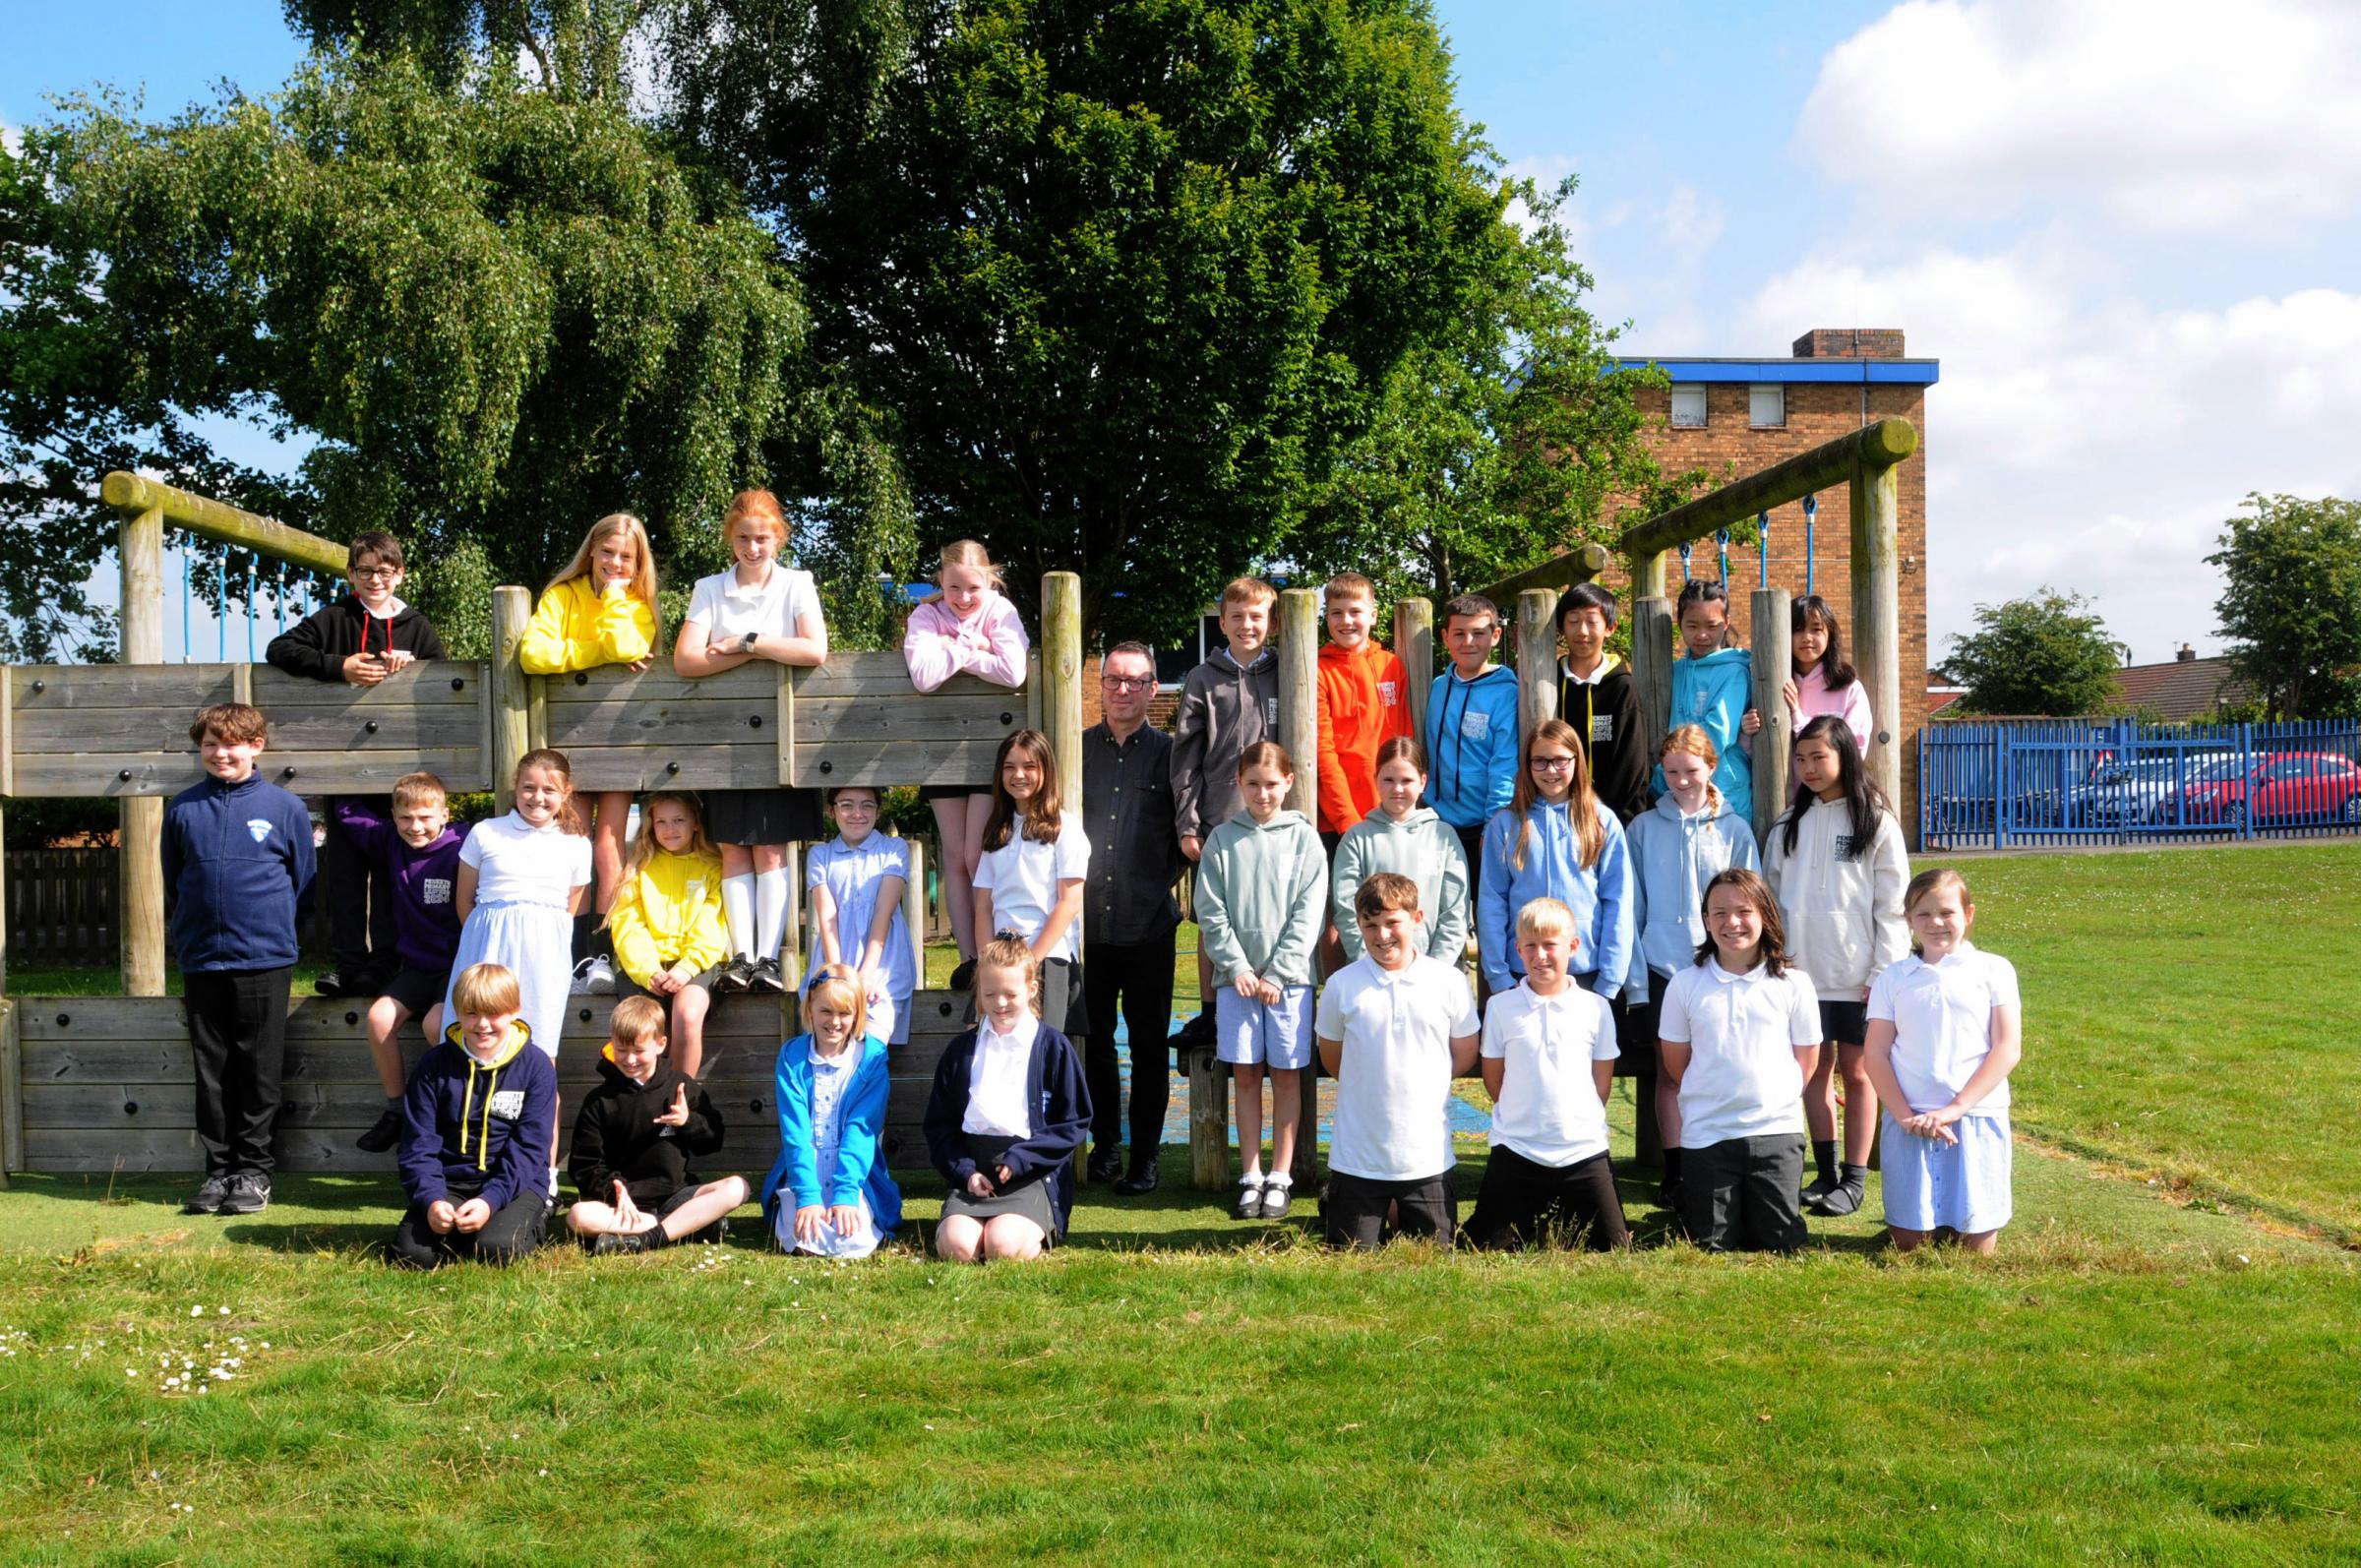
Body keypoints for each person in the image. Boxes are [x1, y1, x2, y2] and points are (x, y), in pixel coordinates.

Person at [264, 529, 447, 998]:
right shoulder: (334, 618)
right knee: (344, 875)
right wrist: (338, 666)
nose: (374, 580)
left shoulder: (417, 625)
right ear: (351, 574)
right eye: (364, 571)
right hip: (344, 764)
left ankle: (384, 965)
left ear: (399, 574)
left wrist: (417, 667)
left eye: (384, 571)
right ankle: (348, 964)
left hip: (399, 770)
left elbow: (447, 682)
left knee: (391, 874)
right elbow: (279, 650)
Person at [673, 489, 830, 994]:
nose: (753, 547)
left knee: (771, 851)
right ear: (730, 539)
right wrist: (753, 656)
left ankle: (766, 956)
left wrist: (749, 644)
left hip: (782, 737)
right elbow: (686, 660)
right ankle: (741, 957)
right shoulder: (709, 588)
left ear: (779, 537)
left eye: (763, 537)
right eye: (743, 538)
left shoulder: (797, 583)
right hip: (722, 739)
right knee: (732, 849)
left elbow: (815, 649)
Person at [164, 701, 317, 1217]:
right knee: (212, 1068)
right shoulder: (182, 809)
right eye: (210, 744)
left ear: (257, 746)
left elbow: (304, 883)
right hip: (202, 957)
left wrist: (270, 928)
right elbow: (175, 882)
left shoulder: (285, 807)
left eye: (231, 744)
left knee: (258, 1066)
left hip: (265, 956)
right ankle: (218, 1171)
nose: (220, 753)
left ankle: (253, 1172)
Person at [1764, 716, 1909, 1219]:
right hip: (1801, 976)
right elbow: (1772, 903)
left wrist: (1881, 974)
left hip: (1860, 978)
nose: (1808, 768)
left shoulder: (1876, 821)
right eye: (1800, 759)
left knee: (1860, 1072)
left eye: (1818, 757)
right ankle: (1823, 1174)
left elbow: (1892, 906)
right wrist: (1777, 962)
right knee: (1813, 1072)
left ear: (1845, 756)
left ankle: (1854, 1179)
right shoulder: (1788, 825)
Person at [516, 511, 660, 992]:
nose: (615, 562)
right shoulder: (562, 595)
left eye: (627, 557)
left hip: (618, 734)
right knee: (571, 843)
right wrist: (597, 653)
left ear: (638, 563)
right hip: (567, 735)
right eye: (608, 553)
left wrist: (616, 601)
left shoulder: (637, 602)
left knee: (607, 846)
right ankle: (567, 950)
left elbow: (629, 640)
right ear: (591, 552)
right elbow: (534, 654)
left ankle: (601, 954)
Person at [1624, 726, 1760, 1207]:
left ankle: (1722, 1163)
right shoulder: (1642, 829)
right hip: (1665, 968)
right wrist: (1638, 985)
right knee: (1671, 1073)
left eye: (1692, 771)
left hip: (1722, 968)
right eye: (1672, 771)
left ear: (1711, 769)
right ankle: (1677, 1170)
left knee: (1721, 1066)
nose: (1682, 780)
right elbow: (1632, 907)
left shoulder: (1734, 828)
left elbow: (1751, 901)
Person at [1656, 869, 1823, 1254]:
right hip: (1708, 1135)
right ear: (1706, 922)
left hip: (1776, 1132)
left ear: (1765, 915)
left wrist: (1770, 1099)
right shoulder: (1685, 984)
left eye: (1743, 911)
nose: (1732, 922)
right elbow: (1677, 1065)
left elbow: (1807, 1062)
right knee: (1710, 1243)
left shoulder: (1794, 985)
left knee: (1780, 1242)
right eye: (1719, 913)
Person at [1195, 741, 1327, 1221]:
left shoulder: (1305, 840)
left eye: (1272, 784)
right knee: (1246, 1075)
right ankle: (1250, 1174)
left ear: (1288, 784)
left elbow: (1309, 912)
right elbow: (1211, 912)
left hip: (1287, 984)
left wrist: (1279, 972)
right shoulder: (1221, 842)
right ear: (1239, 784)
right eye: (1253, 784)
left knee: (1287, 1076)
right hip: (1239, 983)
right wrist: (1239, 968)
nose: (1263, 793)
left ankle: (1281, 1176)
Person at [1314, 874, 1482, 1249]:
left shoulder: (1448, 982)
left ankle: (1398, 1207)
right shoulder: (1342, 985)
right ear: (1358, 926)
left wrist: (1423, 1078)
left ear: (1417, 918)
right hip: (1357, 1160)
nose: (1382, 934)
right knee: (1349, 1258)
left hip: (1427, 1159)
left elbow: (1465, 1052)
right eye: (1370, 925)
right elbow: (1333, 1059)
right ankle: (1338, 1200)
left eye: (1393, 922)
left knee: (1434, 1257)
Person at [1864, 870, 2022, 1255]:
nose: (1936, 923)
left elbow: (2006, 1047)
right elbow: (1876, 1053)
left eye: (1947, 913)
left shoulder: (1994, 970)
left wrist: (1955, 1109)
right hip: (1911, 1120)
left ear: (1969, 914)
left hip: (1975, 1116)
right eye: (1923, 914)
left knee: (1976, 1247)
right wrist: (1903, 1116)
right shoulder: (1894, 977)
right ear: (1908, 919)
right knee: (1909, 1246)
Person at [1463, 897, 1630, 1251]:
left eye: (1550, 945)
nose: (1540, 956)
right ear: (1518, 950)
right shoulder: (1500, 1007)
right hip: (1517, 1149)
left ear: (1572, 946)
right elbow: (1495, 1080)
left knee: (1613, 1247)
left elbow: (1601, 1084)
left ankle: (1562, 1215)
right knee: (1486, 1246)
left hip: (1583, 1151)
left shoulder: (1597, 1008)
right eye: (1531, 947)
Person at [1080, 641, 1183, 1193]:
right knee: (1094, 1042)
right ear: (1100, 685)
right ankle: (1105, 1149)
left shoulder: (1173, 756)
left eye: (1135, 681)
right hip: (1088, 926)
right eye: (1114, 680)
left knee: (1147, 1047)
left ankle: (1145, 1156)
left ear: (1152, 687)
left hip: (1149, 925)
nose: (1123, 690)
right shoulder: (1074, 756)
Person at [903, 539, 1030, 979]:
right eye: (953, 587)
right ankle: (969, 959)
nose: (963, 598)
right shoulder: (925, 614)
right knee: (955, 856)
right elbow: (923, 677)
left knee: (979, 856)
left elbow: (1014, 670)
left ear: (990, 580)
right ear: (941, 580)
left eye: (973, 587)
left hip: (988, 750)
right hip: (941, 751)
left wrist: (954, 650)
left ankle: (993, 950)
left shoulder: (1001, 612)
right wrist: (974, 651)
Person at [923, 936, 1092, 1262]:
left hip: (1030, 1177)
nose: (1000, 1003)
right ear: (979, 993)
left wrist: (1020, 1159)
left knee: (1002, 1245)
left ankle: (1032, 1232)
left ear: (1032, 989)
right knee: (958, 1247)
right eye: (989, 994)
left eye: (1010, 994)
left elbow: (1073, 1123)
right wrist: (965, 1172)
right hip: (973, 1177)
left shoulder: (1053, 1048)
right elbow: (939, 1125)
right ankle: (968, 1221)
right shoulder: (961, 1051)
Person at [389, 962, 558, 1268]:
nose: (483, 1025)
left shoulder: (537, 1066)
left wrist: (489, 1201)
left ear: (515, 1010)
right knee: (412, 1256)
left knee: (496, 1250)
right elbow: (418, 1144)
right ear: (457, 1012)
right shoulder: (431, 1067)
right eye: (471, 1014)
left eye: (494, 1014)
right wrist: (431, 1200)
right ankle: (458, 1226)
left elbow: (531, 1149)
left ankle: (534, 1216)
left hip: (516, 1182)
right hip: (450, 1183)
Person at [1170, 575, 1279, 1044]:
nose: (1247, 625)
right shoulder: (1203, 678)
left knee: (1273, 910)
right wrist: (1189, 821)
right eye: (1237, 616)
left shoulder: (1287, 671)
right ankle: (1211, 1012)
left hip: (1277, 816)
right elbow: (1186, 756)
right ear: (1222, 621)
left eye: (1257, 616)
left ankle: (1274, 999)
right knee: (1213, 915)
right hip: (1219, 815)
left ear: (1271, 622)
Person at [333, 773, 465, 1155]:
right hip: (416, 967)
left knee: (436, 1026)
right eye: (406, 817)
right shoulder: (391, 839)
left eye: (425, 817)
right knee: (378, 1019)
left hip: (456, 967)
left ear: (445, 814)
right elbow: (347, 813)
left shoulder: (464, 844)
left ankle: (444, 1113)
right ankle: (396, 1112)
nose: (416, 826)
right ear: (393, 816)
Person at [446, 749, 593, 1071]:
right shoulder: (486, 832)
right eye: (529, 788)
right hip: (487, 946)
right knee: (478, 1037)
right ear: (516, 786)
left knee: (539, 1046)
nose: (537, 797)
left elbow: (570, 905)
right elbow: (464, 900)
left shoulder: (577, 844)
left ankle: (539, 1120)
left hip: (543, 954)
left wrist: (540, 934)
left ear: (565, 793)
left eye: (549, 790)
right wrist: (482, 941)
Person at [565, 995, 747, 1253]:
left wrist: (688, 1122)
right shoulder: (599, 1101)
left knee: (738, 1187)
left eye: (639, 1051)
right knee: (578, 1216)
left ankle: (650, 1235)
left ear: (661, 1044)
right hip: (626, 1204)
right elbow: (583, 1165)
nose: (629, 1060)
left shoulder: (680, 1085)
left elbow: (714, 1140)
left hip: (676, 1196)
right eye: (621, 1050)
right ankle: (686, 1227)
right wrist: (613, 1189)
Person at [1477, 719, 1633, 1001]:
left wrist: (1610, 979)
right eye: (1540, 761)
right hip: (1522, 971)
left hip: (1587, 971)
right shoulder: (1505, 825)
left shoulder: (1601, 822)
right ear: (1527, 764)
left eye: (1560, 760)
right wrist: (1498, 977)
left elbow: (1618, 902)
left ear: (1576, 761)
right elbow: (1492, 902)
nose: (1550, 770)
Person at [760, 965, 903, 1259]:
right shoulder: (792, 1057)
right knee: (805, 1237)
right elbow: (795, 1133)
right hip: (805, 1171)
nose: (835, 1022)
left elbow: (861, 1130)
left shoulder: (871, 1060)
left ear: (857, 1014)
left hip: (854, 1173)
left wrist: (846, 1194)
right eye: (826, 1011)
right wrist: (809, 1197)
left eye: (844, 1013)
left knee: (851, 1240)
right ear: (810, 1007)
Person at [971, 728, 1091, 1040]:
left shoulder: (1065, 828)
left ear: (1045, 770)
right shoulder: (997, 831)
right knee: (991, 1046)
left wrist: (1030, 963)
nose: (1018, 775)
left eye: (1029, 766)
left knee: (1041, 1049)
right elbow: (983, 906)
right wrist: (988, 964)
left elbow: (1069, 903)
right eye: (1009, 767)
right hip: (1000, 960)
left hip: (1046, 959)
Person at [604, 790, 728, 1077]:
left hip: (696, 963)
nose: (669, 829)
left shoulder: (713, 865)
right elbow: (629, 924)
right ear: (650, 825)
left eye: (678, 820)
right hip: (647, 968)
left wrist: (687, 966)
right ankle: (646, 1095)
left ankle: (680, 1096)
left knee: (686, 1014)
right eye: (661, 822)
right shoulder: (640, 867)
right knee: (640, 1027)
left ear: (695, 822)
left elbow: (712, 921)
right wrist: (649, 971)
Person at [1331, 737, 1471, 966]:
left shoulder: (1443, 837)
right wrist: (1371, 963)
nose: (1397, 788)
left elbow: (1455, 911)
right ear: (1376, 779)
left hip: (1431, 971)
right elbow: (1347, 910)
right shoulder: (1356, 839)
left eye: (1406, 780)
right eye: (1389, 780)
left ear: (1422, 782)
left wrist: (1436, 967)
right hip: (1372, 970)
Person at [804, 786, 917, 1048]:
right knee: (830, 1043)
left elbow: (882, 912)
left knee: (872, 1048)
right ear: (832, 811)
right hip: (835, 960)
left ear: (878, 811)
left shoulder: (893, 849)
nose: (857, 813)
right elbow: (827, 916)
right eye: (846, 805)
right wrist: (837, 974)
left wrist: (865, 976)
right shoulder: (820, 855)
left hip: (881, 963)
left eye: (867, 805)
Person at [1423, 592, 1520, 889]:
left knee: (1487, 906)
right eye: (1459, 633)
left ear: (1495, 635)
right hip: (1436, 820)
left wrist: (1493, 824)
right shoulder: (1438, 687)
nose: (1469, 642)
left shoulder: (1507, 693)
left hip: (1482, 823)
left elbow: (1504, 764)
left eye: (1479, 633)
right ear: (1445, 637)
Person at [1314, 571, 1412, 845]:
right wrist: (1346, 818)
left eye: (1355, 611)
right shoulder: (1319, 670)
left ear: (1373, 615)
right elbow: (1323, 752)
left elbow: (1405, 739)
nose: (1346, 621)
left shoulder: (1391, 665)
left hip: (1391, 809)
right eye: (1336, 613)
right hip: (1337, 819)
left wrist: (1402, 802)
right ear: (1327, 618)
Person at [1653, 578, 1758, 812]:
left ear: (1726, 623)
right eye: (1692, 626)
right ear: (1679, 623)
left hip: (1723, 788)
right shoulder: (1675, 670)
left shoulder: (1734, 671)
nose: (1702, 635)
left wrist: (1667, 768)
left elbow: (1718, 732)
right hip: (1675, 787)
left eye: (1712, 626)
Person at [1552, 581, 1650, 823]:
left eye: (1591, 621)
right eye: (1573, 621)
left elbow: (1632, 762)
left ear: (1610, 627)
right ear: (1561, 627)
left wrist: (1600, 813)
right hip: (1558, 813)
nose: (1582, 631)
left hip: (1613, 816)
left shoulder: (1621, 686)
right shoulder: (1549, 682)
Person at [1783, 595, 1873, 787]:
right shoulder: (1774, 685)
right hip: (1781, 804)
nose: (1806, 638)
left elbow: (1852, 752)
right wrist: (1748, 731)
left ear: (1829, 633)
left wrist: (1797, 717)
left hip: (1832, 801)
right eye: (1797, 630)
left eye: (1816, 629)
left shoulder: (1849, 689)